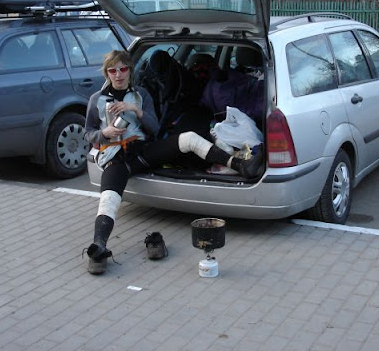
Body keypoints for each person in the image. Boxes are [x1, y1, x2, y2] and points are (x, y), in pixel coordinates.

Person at [83, 50, 263, 275]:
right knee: (108, 200)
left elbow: (154, 128)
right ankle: (99, 248)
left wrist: (136, 110)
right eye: (113, 70)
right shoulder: (96, 100)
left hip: (143, 152)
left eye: (123, 69)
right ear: (107, 73)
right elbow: (88, 133)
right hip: (116, 159)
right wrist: (104, 133)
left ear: (130, 70)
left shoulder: (140, 95)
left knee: (188, 139)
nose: (118, 74)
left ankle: (240, 165)